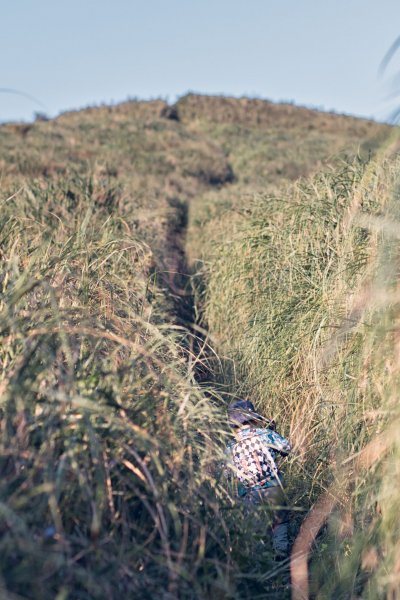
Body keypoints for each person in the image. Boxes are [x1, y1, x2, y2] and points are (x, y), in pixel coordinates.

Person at [225, 399, 291, 558]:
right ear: (254, 419)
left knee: (255, 529)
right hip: (274, 488)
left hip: (249, 493)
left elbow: (227, 473)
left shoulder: (231, 445)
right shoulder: (266, 434)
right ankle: (281, 554)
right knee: (280, 522)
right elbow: (286, 448)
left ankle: (261, 562)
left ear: (233, 425)